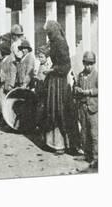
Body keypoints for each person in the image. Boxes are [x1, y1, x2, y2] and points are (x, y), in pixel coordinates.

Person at [42, 21, 80, 155]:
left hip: (60, 82)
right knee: (51, 110)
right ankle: (53, 143)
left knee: (61, 110)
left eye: (49, 33)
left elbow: (66, 66)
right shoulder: (53, 42)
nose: (48, 36)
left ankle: (64, 144)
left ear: (53, 32)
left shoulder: (61, 43)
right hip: (53, 82)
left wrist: (52, 70)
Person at [74, 51, 98, 169]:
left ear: (94, 64)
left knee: (94, 134)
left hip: (93, 108)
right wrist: (77, 89)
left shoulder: (97, 75)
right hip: (82, 107)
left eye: (90, 64)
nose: (88, 66)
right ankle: (87, 154)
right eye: (86, 64)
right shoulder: (80, 75)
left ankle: (96, 157)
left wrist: (89, 92)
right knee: (84, 132)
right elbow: (76, 85)